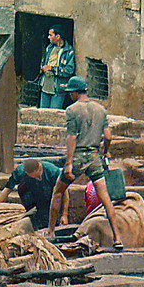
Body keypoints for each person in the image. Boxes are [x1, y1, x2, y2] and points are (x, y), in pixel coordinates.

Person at [50, 77, 124, 250]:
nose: (69, 95)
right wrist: (105, 151)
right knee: (106, 199)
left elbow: (72, 137)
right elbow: (108, 136)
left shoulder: (71, 110)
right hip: (94, 156)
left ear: (75, 92)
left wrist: (68, 163)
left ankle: (51, 231)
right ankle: (118, 237)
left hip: (78, 157)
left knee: (58, 191)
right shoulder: (101, 109)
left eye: (70, 92)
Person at [0, 157, 63, 232]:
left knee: (49, 220)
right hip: (31, 196)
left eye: (35, 176)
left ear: (39, 167)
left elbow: (64, 193)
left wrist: (64, 215)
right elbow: (7, 189)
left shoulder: (53, 171)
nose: (35, 177)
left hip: (49, 197)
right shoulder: (20, 171)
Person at [38, 26, 76, 110]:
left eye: (50, 35)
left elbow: (69, 70)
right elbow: (44, 62)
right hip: (45, 86)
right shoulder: (49, 48)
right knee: (42, 114)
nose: (49, 37)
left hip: (58, 89)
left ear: (58, 37)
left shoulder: (68, 51)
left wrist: (52, 68)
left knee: (53, 114)